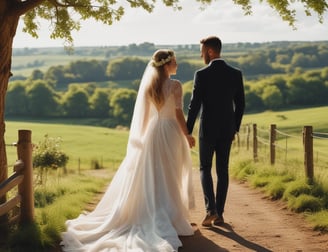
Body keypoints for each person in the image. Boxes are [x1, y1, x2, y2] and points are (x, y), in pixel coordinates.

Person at [61, 49, 195, 252]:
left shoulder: (150, 86)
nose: (177, 65)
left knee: (154, 174)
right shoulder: (175, 85)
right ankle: (171, 217)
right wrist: (187, 135)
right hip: (170, 132)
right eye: (175, 62)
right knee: (170, 173)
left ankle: (159, 212)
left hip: (152, 132)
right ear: (167, 65)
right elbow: (177, 113)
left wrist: (139, 140)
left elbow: (143, 118)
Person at [186, 36, 245, 227]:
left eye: (202, 50)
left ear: (210, 51)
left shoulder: (201, 74)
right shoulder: (236, 73)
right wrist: (234, 128)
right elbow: (241, 105)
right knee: (223, 170)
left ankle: (210, 209)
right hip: (227, 128)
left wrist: (187, 130)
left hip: (208, 128)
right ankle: (219, 214)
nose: (201, 54)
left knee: (204, 168)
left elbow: (194, 105)